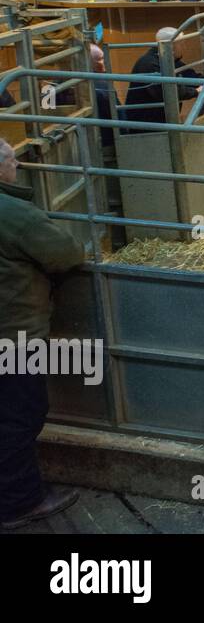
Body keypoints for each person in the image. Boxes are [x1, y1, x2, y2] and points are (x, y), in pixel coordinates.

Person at [0, 139, 85, 530]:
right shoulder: (14, 214)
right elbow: (67, 253)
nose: (16, 168)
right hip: (13, 337)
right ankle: (20, 502)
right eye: (13, 162)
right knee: (20, 416)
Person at [124, 27, 204, 130]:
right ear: (171, 46)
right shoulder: (149, 64)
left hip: (158, 121)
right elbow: (167, 91)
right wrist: (196, 92)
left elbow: (188, 75)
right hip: (146, 126)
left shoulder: (166, 58)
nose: (185, 47)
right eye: (181, 43)